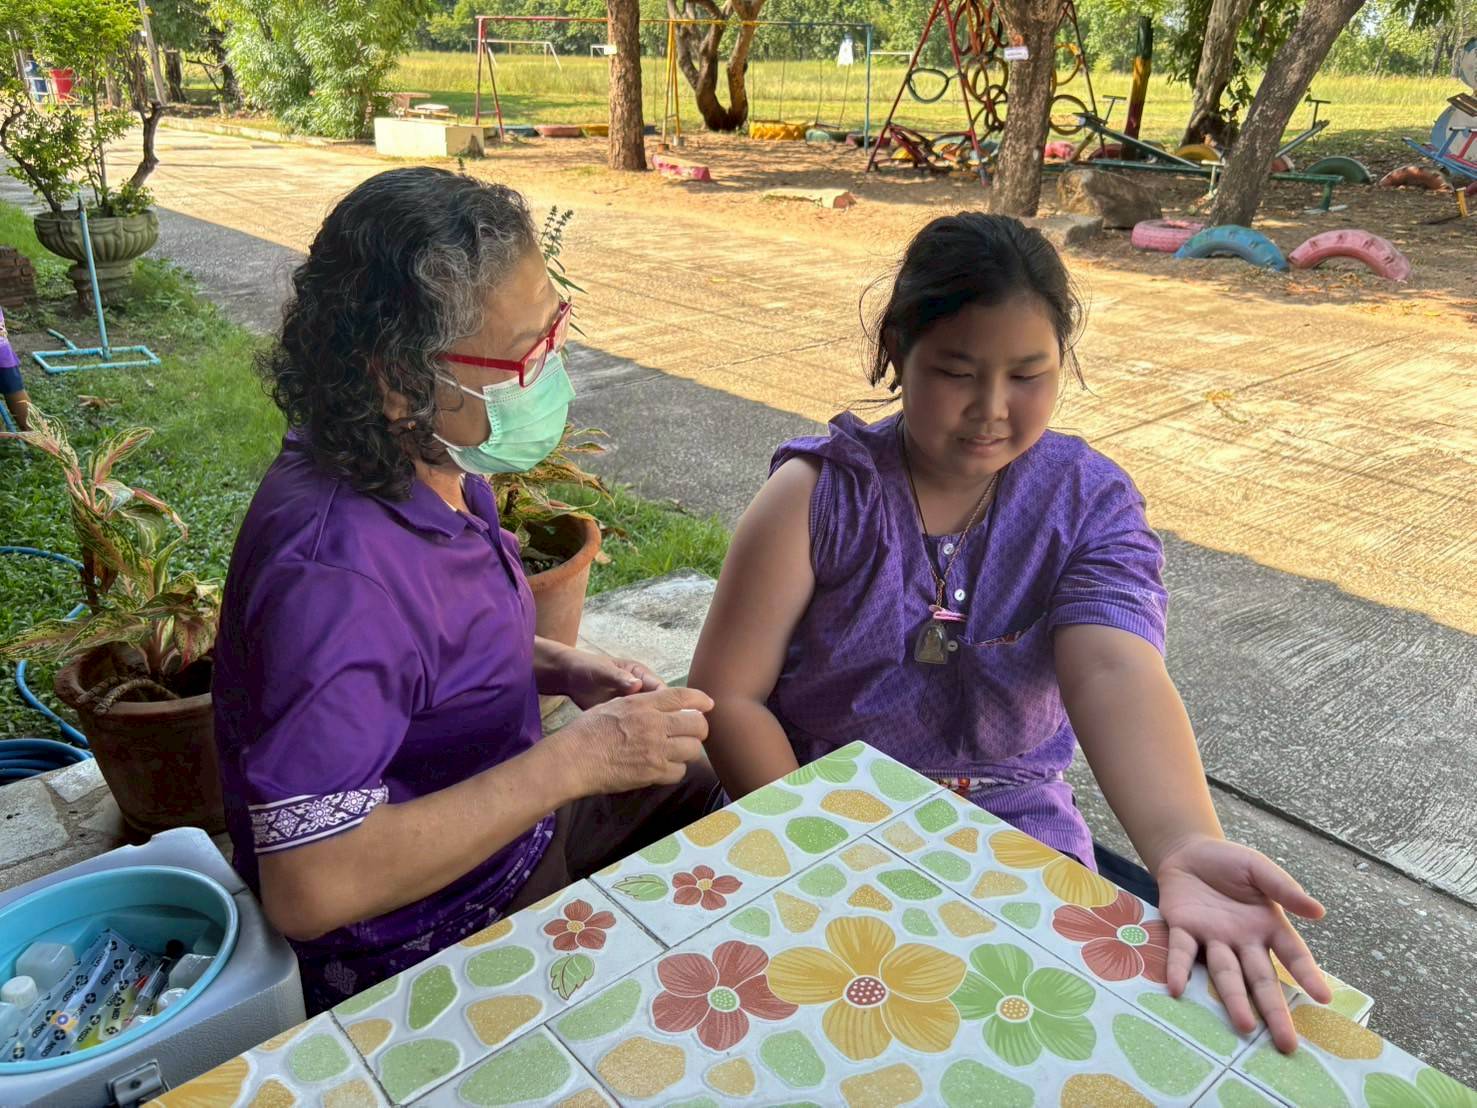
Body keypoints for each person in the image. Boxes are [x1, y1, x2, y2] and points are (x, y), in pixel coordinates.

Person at [690, 212, 1330, 1054]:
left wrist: (1181, 843)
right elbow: (728, 697)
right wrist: (819, 847)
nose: (990, 410)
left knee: (1044, 1036)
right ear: (896, 350)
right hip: (807, 804)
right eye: (956, 372)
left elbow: (1112, 669)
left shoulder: (1086, 503)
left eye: (1028, 375)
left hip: (1013, 815)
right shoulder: (818, 495)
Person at [213, 167, 717, 1013]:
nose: (551, 372)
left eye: (555, 330)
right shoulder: (333, 584)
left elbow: (426, 643)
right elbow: (311, 883)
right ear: (396, 381)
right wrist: (576, 761)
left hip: (506, 839)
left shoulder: (426, 466)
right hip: (429, 928)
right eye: (525, 356)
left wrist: (556, 664)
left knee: (690, 778)